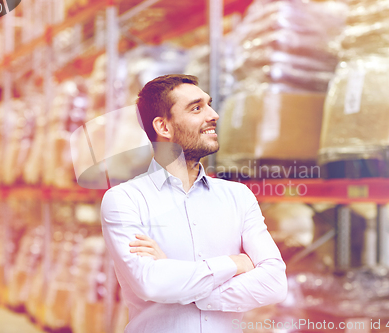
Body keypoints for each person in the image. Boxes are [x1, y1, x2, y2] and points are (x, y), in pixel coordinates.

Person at [100, 74, 287, 333]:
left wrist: (181, 286)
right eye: (197, 108)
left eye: (209, 104)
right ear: (163, 127)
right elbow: (151, 284)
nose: (214, 115)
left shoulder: (238, 196)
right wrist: (235, 264)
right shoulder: (125, 200)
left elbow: (274, 284)